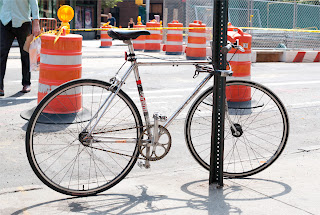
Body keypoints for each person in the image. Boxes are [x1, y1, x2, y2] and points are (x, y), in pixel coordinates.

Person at [0, 0, 41, 97]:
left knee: (26, 54)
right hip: (5, 21)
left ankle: (26, 83)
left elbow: (33, 3)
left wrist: (36, 22)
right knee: (1, 53)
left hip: (23, 22)